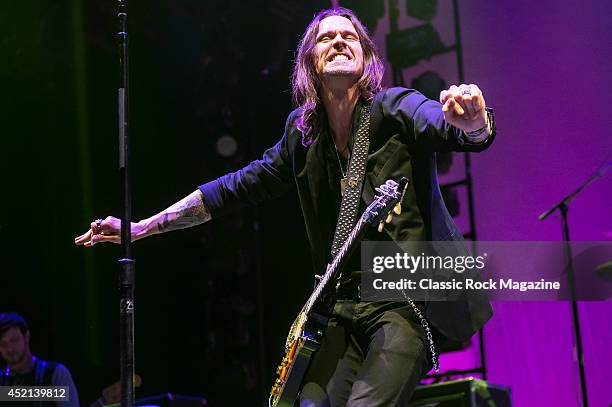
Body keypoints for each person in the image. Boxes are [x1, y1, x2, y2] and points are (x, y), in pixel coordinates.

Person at [75, 7, 495, 406]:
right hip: (340, 309)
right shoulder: (302, 137)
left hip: (405, 300)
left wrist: (473, 121)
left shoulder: (396, 108)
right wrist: (142, 227)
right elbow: (233, 189)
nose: (338, 42)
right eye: (325, 37)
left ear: (366, 57)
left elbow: (451, 128)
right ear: (309, 61)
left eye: (349, 36)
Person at [0, 312, 80, 407]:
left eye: (14, 340)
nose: (10, 349)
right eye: (3, 344)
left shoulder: (56, 373)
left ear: (26, 337)